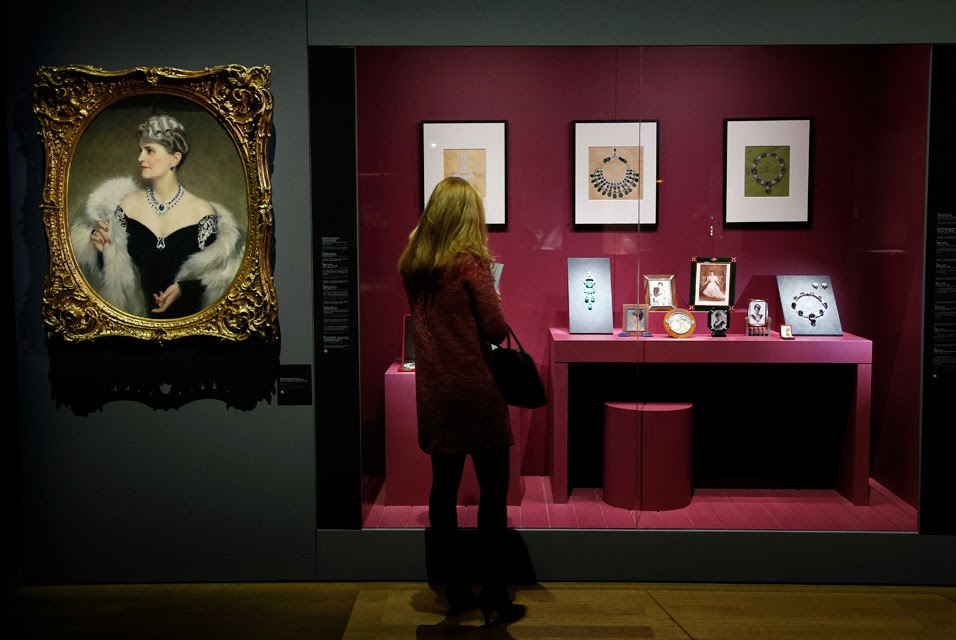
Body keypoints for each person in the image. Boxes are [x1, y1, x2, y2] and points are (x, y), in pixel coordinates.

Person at [398, 176, 526, 626]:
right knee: (493, 492)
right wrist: (496, 297)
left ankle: (454, 590)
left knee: (443, 489)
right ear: (468, 216)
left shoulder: (413, 264)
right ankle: (494, 593)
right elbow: (495, 329)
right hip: (476, 389)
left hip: (436, 391)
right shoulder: (471, 263)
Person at [71, 114, 244, 319]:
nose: (140, 158)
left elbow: (216, 279)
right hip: (132, 325)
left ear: (174, 158)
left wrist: (183, 289)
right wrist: (102, 251)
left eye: (149, 150)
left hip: (186, 325)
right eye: (140, 150)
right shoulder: (127, 205)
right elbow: (117, 279)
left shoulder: (202, 211)